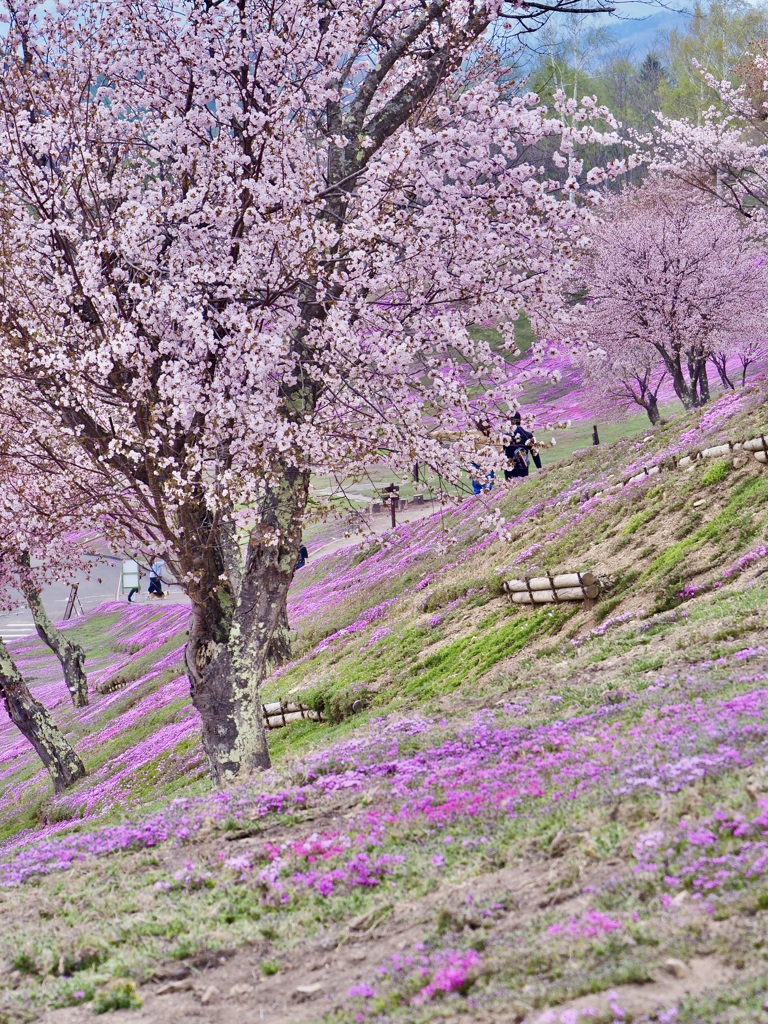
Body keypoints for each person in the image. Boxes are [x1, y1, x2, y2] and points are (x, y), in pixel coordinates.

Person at [504, 412, 542, 480]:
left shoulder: (505, 436)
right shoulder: (528, 435)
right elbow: (535, 454)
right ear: (520, 420)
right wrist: (539, 468)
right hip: (523, 468)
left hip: (509, 469)